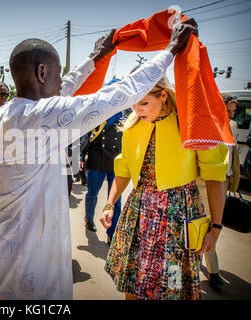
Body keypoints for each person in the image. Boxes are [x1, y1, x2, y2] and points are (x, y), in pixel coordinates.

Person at [0, 19, 198, 300]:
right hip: (25, 259)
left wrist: (94, 59)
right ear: (42, 72)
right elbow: (114, 96)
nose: (61, 81)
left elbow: (65, 89)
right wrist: (169, 51)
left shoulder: (9, 112)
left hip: (1, 244)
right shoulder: (41, 116)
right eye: (56, 74)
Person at [100, 71, 229, 299]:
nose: (137, 111)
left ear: (164, 96)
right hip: (139, 217)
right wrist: (109, 204)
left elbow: (215, 177)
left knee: (173, 285)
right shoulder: (132, 127)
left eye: (144, 103)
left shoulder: (192, 124)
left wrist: (216, 227)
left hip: (177, 222)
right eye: (133, 105)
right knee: (134, 283)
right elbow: (123, 170)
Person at [200, 93, 240, 290]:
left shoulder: (231, 127)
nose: (231, 115)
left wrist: (233, 181)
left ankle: (209, 268)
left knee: (213, 227)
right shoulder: (208, 125)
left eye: (233, 111)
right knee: (206, 227)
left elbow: (234, 157)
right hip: (205, 183)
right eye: (228, 110)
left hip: (223, 182)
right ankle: (213, 273)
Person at [80, 109, 123, 239]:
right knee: (92, 194)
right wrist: (81, 156)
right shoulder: (97, 112)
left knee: (115, 199)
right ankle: (89, 218)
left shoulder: (125, 113)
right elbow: (86, 135)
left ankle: (112, 232)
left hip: (116, 162)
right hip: (97, 160)